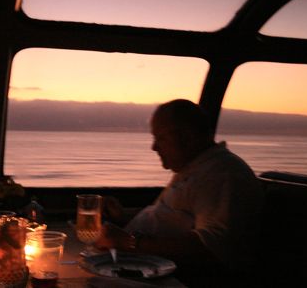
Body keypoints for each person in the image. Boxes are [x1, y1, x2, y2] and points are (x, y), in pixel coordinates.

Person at [95, 99, 264, 284]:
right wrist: (123, 216)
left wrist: (129, 242)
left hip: (174, 279)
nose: (154, 147)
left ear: (187, 137)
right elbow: (172, 218)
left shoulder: (222, 174)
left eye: (161, 138)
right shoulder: (193, 167)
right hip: (141, 267)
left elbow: (211, 247)